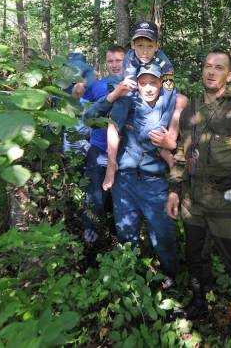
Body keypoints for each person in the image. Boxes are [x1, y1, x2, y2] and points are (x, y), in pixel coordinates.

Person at [164, 49, 231, 347]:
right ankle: (200, 301)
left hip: (227, 203)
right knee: (195, 257)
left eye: (219, 67)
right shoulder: (191, 109)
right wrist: (174, 190)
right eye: (207, 66)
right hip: (193, 202)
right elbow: (181, 153)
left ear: (230, 74)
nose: (211, 72)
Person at [84, 62, 179, 283]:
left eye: (153, 82)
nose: (148, 88)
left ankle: (171, 275)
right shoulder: (127, 102)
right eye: (143, 83)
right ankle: (130, 280)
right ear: (137, 84)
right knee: (126, 233)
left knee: (163, 233)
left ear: (161, 83)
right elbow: (98, 122)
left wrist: (171, 146)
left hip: (154, 182)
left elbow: (181, 144)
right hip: (124, 181)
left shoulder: (168, 106)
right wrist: (111, 166)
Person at [116, 21, 186, 169]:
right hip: (139, 94)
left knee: (180, 100)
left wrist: (161, 126)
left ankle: (169, 143)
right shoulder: (130, 58)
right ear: (133, 45)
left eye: (150, 46)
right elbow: (130, 88)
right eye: (140, 46)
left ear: (156, 46)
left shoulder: (164, 62)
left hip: (158, 93)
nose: (145, 51)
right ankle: (158, 149)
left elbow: (169, 95)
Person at [76, 45, 125, 250]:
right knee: (94, 197)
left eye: (118, 60)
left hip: (124, 153)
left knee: (119, 200)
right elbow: (78, 102)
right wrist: (77, 87)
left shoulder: (135, 84)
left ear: (126, 61)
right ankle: (91, 239)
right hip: (98, 150)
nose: (114, 65)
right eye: (110, 61)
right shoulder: (98, 85)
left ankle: (119, 241)